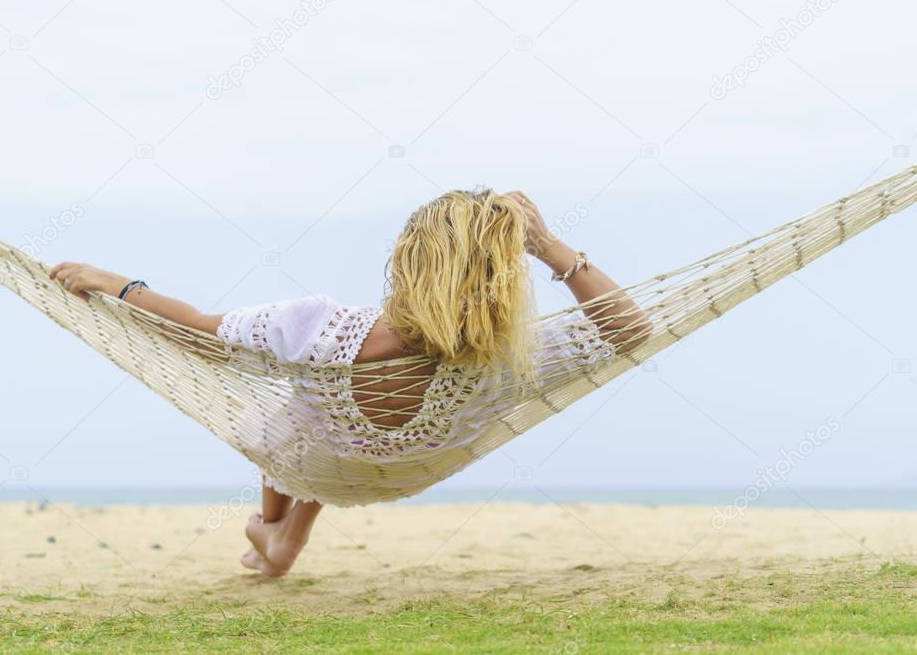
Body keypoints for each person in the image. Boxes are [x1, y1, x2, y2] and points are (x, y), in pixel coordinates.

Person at [49, 190, 650, 577]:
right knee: (325, 420)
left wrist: (119, 284)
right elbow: (631, 330)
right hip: (413, 467)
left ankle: (272, 526)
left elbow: (200, 332)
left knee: (294, 410)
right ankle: (287, 540)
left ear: (409, 260)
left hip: (326, 457)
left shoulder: (318, 328)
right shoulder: (518, 358)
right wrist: (548, 246)